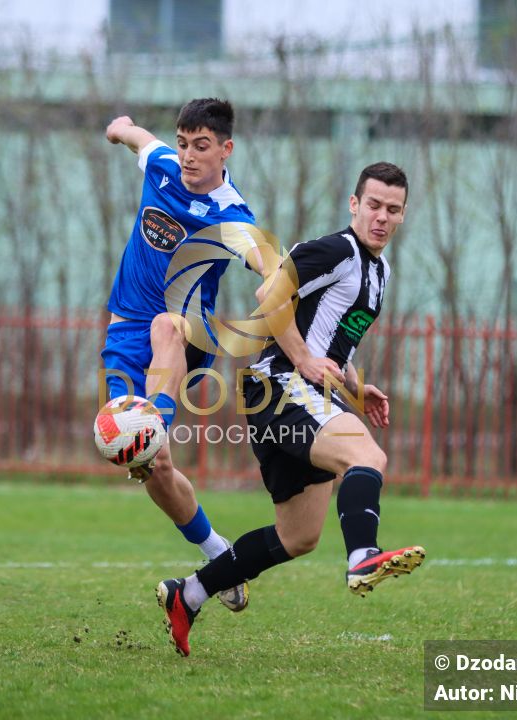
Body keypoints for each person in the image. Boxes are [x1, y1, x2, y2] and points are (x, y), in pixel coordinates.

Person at [155, 162, 425, 656]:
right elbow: (269, 291)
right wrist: (301, 359)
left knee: (298, 535)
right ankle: (364, 554)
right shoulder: (337, 249)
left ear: (403, 215)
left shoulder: (379, 272)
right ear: (354, 204)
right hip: (280, 385)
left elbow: (331, 345)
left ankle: (188, 594)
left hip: (295, 392)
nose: (381, 217)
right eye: (373, 206)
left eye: (393, 209)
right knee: (367, 457)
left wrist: (357, 388)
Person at [101, 98, 258, 613]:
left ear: (225, 149)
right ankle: (219, 554)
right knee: (155, 468)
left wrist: (277, 274)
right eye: (185, 143)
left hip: (186, 332)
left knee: (166, 323)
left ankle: (150, 423)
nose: (189, 156)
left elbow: (260, 253)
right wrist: (120, 128)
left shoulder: (230, 211)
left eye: (202, 146)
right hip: (126, 334)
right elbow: (141, 139)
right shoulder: (165, 166)